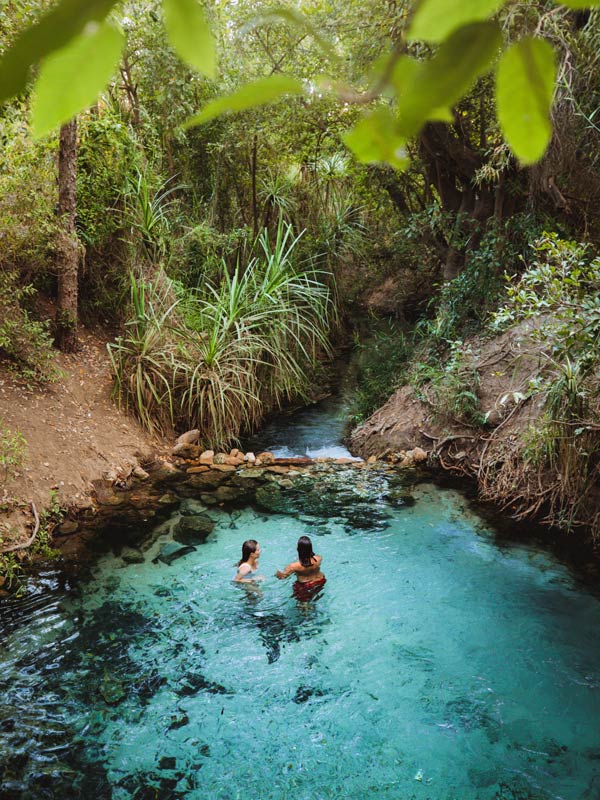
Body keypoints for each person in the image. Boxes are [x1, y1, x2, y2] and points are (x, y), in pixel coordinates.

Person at [275, 535, 326, 601]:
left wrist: (277, 573)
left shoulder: (294, 566)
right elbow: (309, 567)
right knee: (314, 598)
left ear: (298, 548)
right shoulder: (319, 558)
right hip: (320, 581)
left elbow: (282, 577)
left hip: (306, 585)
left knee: (303, 606)